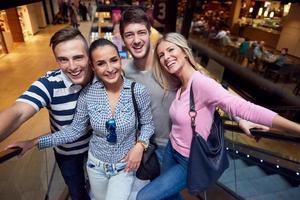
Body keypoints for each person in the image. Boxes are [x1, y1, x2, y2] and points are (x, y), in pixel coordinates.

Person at [119, 7, 269, 199]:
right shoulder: (126, 71)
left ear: (150, 34)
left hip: (178, 147)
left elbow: (212, 87)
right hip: (150, 146)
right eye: (129, 35)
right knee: (168, 195)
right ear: (123, 39)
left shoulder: (169, 62)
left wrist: (240, 118)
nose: (136, 40)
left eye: (141, 33)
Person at [136, 32, 300, 200]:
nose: (166, 57)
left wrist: (296, 128)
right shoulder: (178, 82)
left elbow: (245, 107)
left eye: (171, 50)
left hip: (190, 160)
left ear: (184, 51)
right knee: (169, 196)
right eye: (161, 55)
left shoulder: (201, 83)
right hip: (172, 149)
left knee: (144, 197)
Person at [7, 38, 154, 200]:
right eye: (101, 63)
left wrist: (140, 145)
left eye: (113, 60)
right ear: (93, 67)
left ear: (120, 60)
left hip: (124, 166)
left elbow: (148, 124)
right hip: (95, 166)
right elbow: (74, 131)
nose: (110, 68)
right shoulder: (88, 95)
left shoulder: (137, 91)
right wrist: (34, 142)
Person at [0, 28, 92, 200]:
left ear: (89, 56)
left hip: (97, 150)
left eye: (78, 57)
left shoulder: (100, 77)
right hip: (67, 154)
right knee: (77, 192)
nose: (72, 67)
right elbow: (18, 112)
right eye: (63, 60)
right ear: (56, 60)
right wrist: (34, 142)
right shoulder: (49, 84)